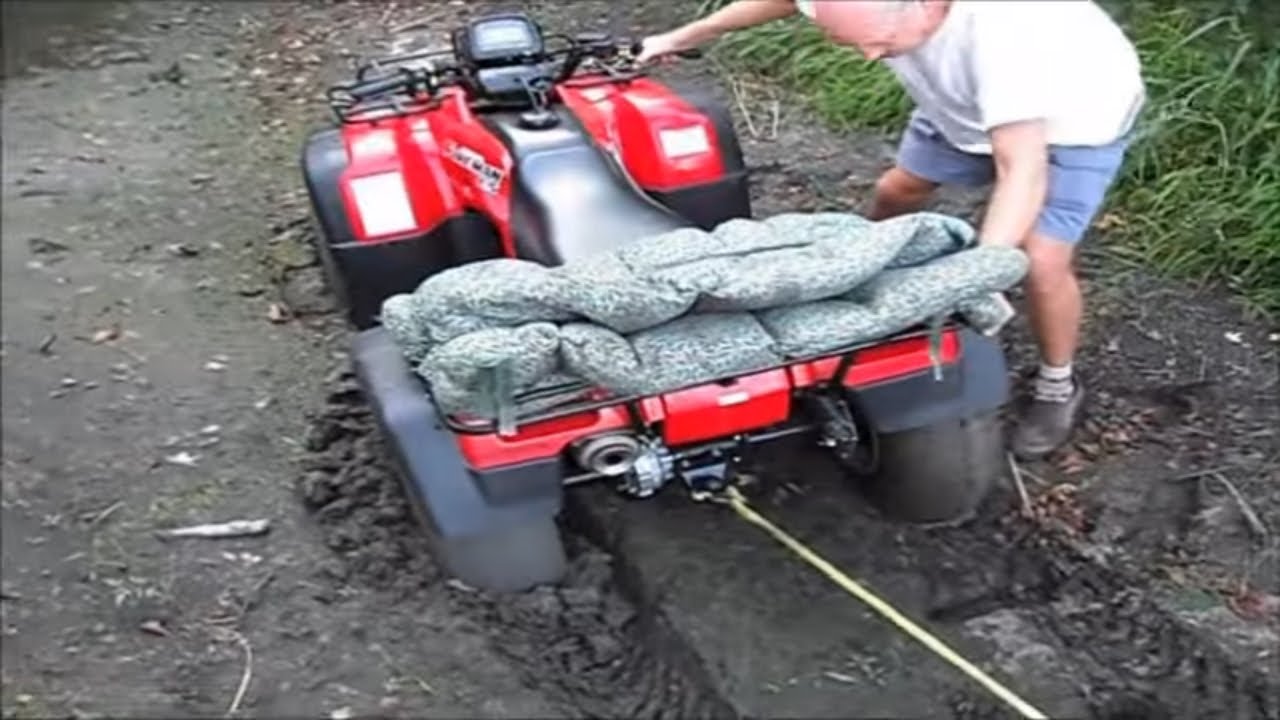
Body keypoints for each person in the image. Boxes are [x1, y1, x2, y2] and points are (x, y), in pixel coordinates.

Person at [636, 0, 1145, 460]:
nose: (869, 58)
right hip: (958, 107)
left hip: (1071, 122)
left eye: (879, 44)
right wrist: (683, 36)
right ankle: (861, 283)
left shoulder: (1004, 39)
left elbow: (1023, 170)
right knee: (897, 191)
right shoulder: (878, 13)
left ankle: (1058, 384)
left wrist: (974, 276)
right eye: (852, 43)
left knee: (1041, 258)